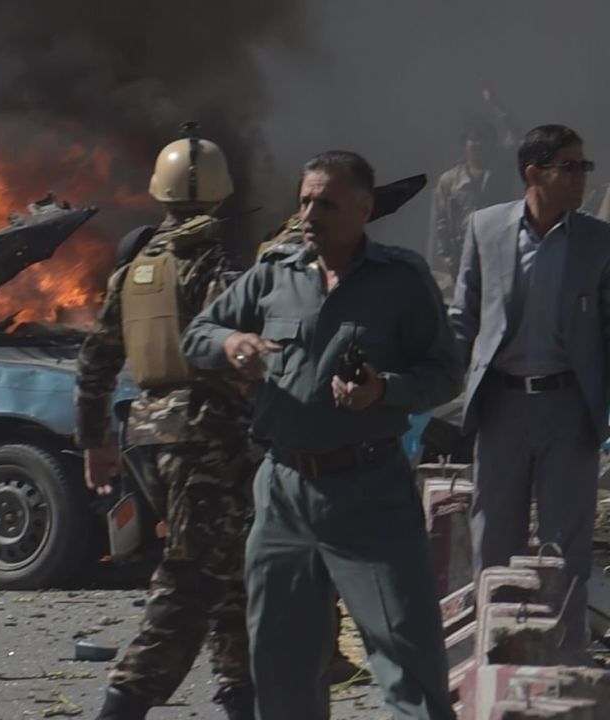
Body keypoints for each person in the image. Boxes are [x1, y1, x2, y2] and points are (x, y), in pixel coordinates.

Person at [183, 150, 459, 720]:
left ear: (363, 209)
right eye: (305, 200)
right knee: (280, 666)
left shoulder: (401, 281)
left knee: (407, 658)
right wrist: (231, 345)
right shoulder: (274, 273)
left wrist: (383, 390)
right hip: (283, 492)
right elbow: (198, 333)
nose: (309, 214)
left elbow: (444, 375)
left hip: (369, 490)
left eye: (325, 203)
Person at [76, 127, 257, 720]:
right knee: (192, 583)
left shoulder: (136, 266)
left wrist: (96, 443)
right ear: (223, 194)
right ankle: (125, 701)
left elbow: (96, 360)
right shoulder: (219, 263)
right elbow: (240, 351)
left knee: (231, 578)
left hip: (149, 438)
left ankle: (244, 698)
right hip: (208, 441)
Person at [449, 124, 610, 658]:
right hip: (502, 405)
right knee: (494, 538)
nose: (581, 178)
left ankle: (565, 658)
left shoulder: (597, 241)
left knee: (565, 546)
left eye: (584, 167)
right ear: (533, 173)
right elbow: (463, 317)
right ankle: (493, 656)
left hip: (569, 405)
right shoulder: (486, 228)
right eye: (570, 166)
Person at [428, 116, 517, 282]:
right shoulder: (449, 180)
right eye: (473, 139)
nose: (478, 145)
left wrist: (496, 104)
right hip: (462, 254)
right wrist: (445, 254)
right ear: (464, 143)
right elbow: (441, 221)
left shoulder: (502, 174)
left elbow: (516, 136)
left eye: (484, 140)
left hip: (497, 252)